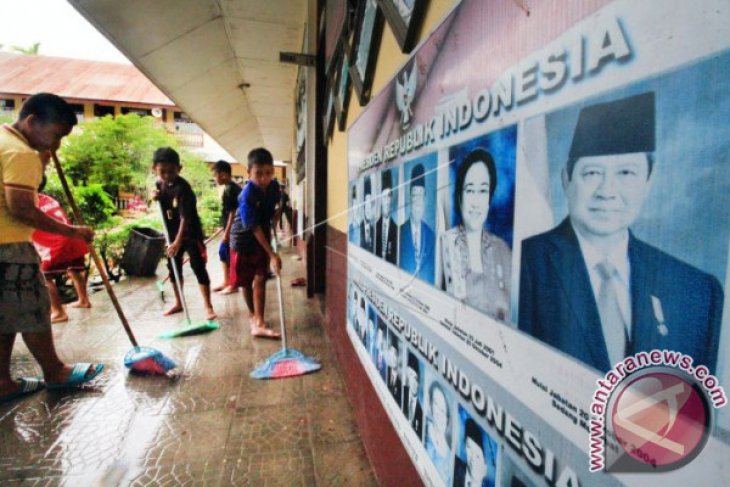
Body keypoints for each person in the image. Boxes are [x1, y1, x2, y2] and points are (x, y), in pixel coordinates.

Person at [518, 92, 723, 372]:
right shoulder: (525, 264)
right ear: (566, 179)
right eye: (591, 173)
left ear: (649, 181)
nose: (607, 192)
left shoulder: (695, 292)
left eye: (626, 173)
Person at [1, 92, 103, 402]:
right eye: (55, 135)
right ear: (32, 121)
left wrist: (42, 159)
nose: (55, 145)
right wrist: (71, 231)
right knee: (34, 308)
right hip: (10, 246)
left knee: (4, 316)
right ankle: (55, 371)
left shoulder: (5, 141)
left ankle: (3, 382)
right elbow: (21, 208)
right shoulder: (21, 153)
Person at [441, 149, 511, 320]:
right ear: (459, 197)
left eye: (483, 191)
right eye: (470, 190)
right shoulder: (445, 244)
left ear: (489, 198)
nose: (476, 202)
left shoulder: (502, 250)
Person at [153, 147, 217, 321]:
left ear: (179, 168)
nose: (167, 175)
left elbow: (185, 219)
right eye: (162, 171)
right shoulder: (159, 185)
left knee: (198, 267)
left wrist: (177, 242)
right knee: (174, 269)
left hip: (190, 234)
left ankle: (208, 306)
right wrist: (155, 197)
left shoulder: (184, 189)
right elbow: (162, 202)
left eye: (171, 171)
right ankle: (179, 303)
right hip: (171, 235)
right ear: (155, 169)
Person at [230, 147, 282, 338]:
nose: (263, 178)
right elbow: (254, 227)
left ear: (273, 172)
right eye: (258, 174)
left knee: (261, 277)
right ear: (248, 173)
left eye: (268, 173)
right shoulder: (247, 195)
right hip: (243, 240)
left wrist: (276, 216)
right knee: (245, 281)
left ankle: (259, 321)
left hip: (261, 236)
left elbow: (278, 202)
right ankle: (253, 315)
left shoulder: (274, 187)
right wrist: (272, 254)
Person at [33, 173, 91, 323]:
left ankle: (58, 311)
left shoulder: (29, 204)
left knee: (44, 277)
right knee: (74, 269)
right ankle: (84, 299)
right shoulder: (48, 199)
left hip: (58, 242)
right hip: (73, 238)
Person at [400, 163, 435, 283]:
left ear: (425, 199)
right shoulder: (400, 233)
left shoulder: (431, 236)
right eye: (415, 195)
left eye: (421, 195)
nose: (418, 202)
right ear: (410, 198)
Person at [211, 160, 241, 294]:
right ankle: (227, 281)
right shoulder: (228, 188)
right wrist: (221, 228)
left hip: (234, 230)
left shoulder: (233, 190)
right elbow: (226, 212)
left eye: (215, 175)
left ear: (223, 174)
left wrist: (227, 233)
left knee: (231, 256)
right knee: (223, 253)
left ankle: (233, 285)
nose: (214, 178)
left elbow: (233, 213)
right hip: (229, 228)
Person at [425, 380, 453, 485]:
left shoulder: (450, 458)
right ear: (431, 405)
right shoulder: (424, 426)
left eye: (443, 410)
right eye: (436, 403)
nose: (439, 413)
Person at [453, 418, 493, 487]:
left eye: (477, 456)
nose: (472, 458)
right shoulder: (454, 466)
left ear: (485, 468)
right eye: (469, 447)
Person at [375, 169, 398, 264]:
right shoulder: (376, 226)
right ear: (381, 199)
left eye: (389, 196)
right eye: (384, 197)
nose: (387, 201)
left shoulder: (396, 229)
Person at [402, 352, 423, 439]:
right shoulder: (402, 391)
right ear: (407, 375)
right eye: (411, 375)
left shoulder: (421, 412)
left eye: (416, 378)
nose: (414, 382)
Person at [386, 335, 403, 408]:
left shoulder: (400, 383)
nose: (393, 357)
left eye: (395, 354)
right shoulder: (385, 371)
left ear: (398, 357)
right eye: (391, 353)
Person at [360, 175, 375, 253]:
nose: (368, 208)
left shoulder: (373, 229)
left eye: (370, 204)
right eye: (367, 203)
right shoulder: (359, 227)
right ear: (364, 206)